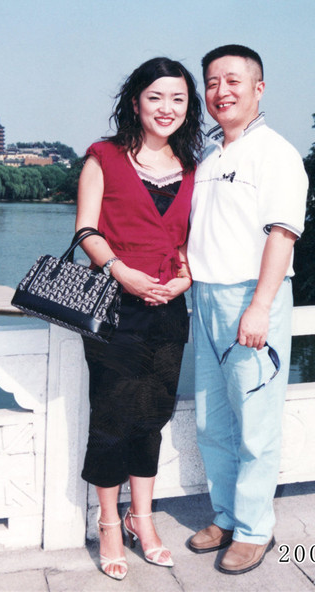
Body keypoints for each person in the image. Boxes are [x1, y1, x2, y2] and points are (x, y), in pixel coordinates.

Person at [75, 57, 203, 580]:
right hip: (113, 306)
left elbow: (197, 240)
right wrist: (122, 271)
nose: (166, 108)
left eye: (177, 98)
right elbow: (86, 230)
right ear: (135, 102)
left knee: (152, 414)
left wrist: (187, 276)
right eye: (156, 97)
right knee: (111, 416)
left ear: (187, 106)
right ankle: (109, 524)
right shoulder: (102, 157)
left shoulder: (195, 168)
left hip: (169, 311)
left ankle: (142, 518)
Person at [187, 44, 308, 575]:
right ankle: (227, 515)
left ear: (259, 89)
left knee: (255, 423)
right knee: (214, 423)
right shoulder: (211, 156)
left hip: (251, 299)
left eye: (233, 81)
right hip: (206, 300)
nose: (221, 92)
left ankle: (256, 529)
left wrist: (260, 307)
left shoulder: (276, 153)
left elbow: (282, 234)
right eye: (212, 82)